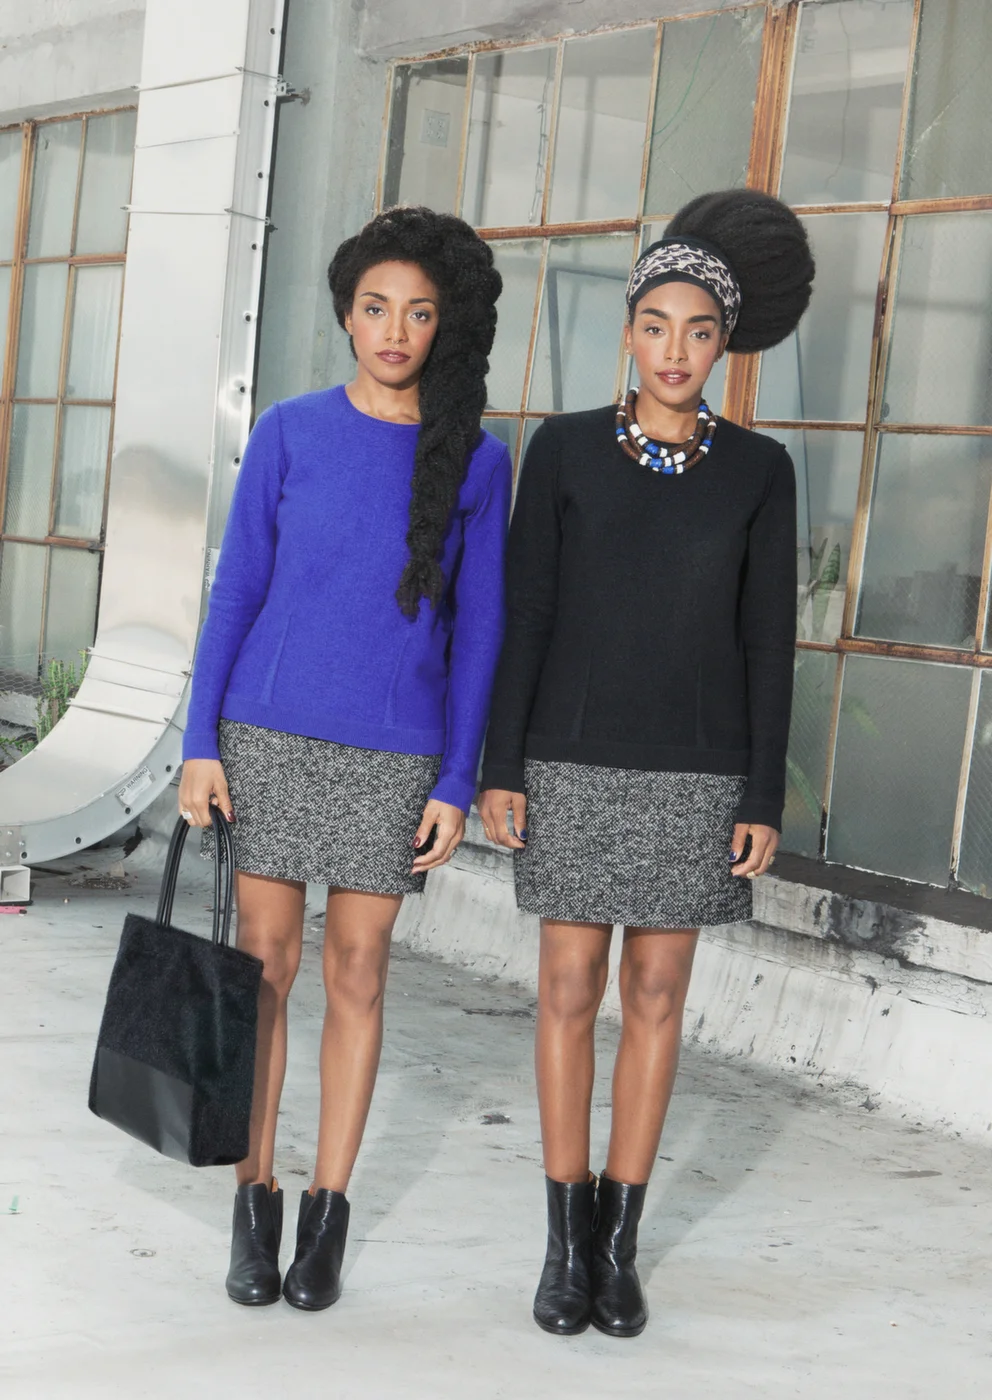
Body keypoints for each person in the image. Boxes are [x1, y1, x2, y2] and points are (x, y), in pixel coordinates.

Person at [478, 189, 814, 1339]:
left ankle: (617, 1246)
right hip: (570, 760)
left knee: (657, 996)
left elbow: (768, 640)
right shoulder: (563, 448)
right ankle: (561, 1240)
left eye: (698, 331)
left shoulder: (758, 470)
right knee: (568, 989)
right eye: (656, 325)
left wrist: (759, 790)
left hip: (695, 769)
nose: (675, 349)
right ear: (628, 330)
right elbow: (525, 612)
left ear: (723, 345)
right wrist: (502, 764)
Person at [178, 206, 509, 1311]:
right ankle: (254, 1199)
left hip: (395, 755)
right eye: (376, 307)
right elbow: (237, 590)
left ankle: (327, 1213)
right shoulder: (288, 429)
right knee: (264, 969)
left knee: (358, 973)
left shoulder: (478, 460)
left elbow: (481, 630)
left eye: (418, 311)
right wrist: (200, 741)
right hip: (267, 735)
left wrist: (457, 776)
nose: (395, 330)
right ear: (347, 314)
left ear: (446, 324)